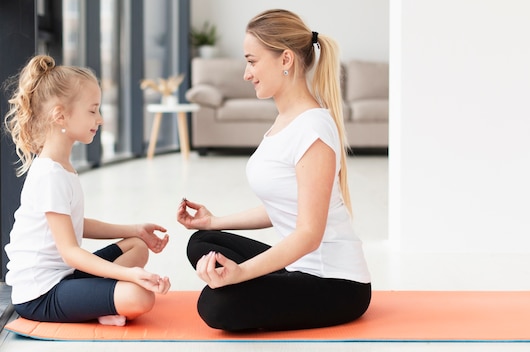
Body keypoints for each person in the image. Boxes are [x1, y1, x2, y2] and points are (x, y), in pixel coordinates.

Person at [177, 9, 371, 332]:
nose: (246, 73)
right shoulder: (285, 121)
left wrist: (241, 274)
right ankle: (254, 281)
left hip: (335, 282)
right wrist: (214, 221)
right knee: (202, 241)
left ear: (285, 60)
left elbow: (309, 235)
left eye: (252, 61)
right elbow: (282, 205)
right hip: (297, 267)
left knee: (214, 305)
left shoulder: (314, 129)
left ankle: (248, 286)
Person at [3, 55, 171, 327]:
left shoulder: (61, 166)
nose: (100, 119)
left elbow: (76, 225)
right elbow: (70, 251)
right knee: (141, 297)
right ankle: (98, 304)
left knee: (137, 246)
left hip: (65, 277)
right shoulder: (50, 174)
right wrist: (131, 276)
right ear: (61, 115)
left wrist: (134, 229)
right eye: (92, 110)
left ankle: (95, 302)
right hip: (40, 295)